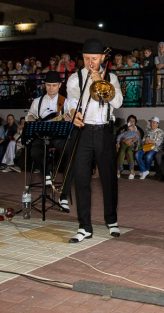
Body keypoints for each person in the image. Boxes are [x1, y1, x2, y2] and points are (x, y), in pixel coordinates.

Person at [65, 38, 123, 243]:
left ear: (102, 58)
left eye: (95, 58)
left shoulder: (111, 78)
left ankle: (111, 220)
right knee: (81, 179)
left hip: (104, 131)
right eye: (87, 58)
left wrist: (99, 80)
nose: (91, 62)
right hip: (83, 132)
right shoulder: (75, 78)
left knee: (109, 178)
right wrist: (73, 111)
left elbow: (118, 102)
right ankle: (84, 226)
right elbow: (72, 98)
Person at [27, 70, 71, 182]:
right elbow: (29, 115)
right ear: (45, 85)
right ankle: (46, 174)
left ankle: (66, 181)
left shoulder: (66, 102)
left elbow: (72, 117)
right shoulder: (37, 101)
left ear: (59, 85)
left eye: (54, 85)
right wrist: (30, 117)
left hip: (58, 136)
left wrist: (69, 119)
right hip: (41, 136)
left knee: (69, 151)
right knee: (35, 152)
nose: (51, 88)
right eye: (48, 85)